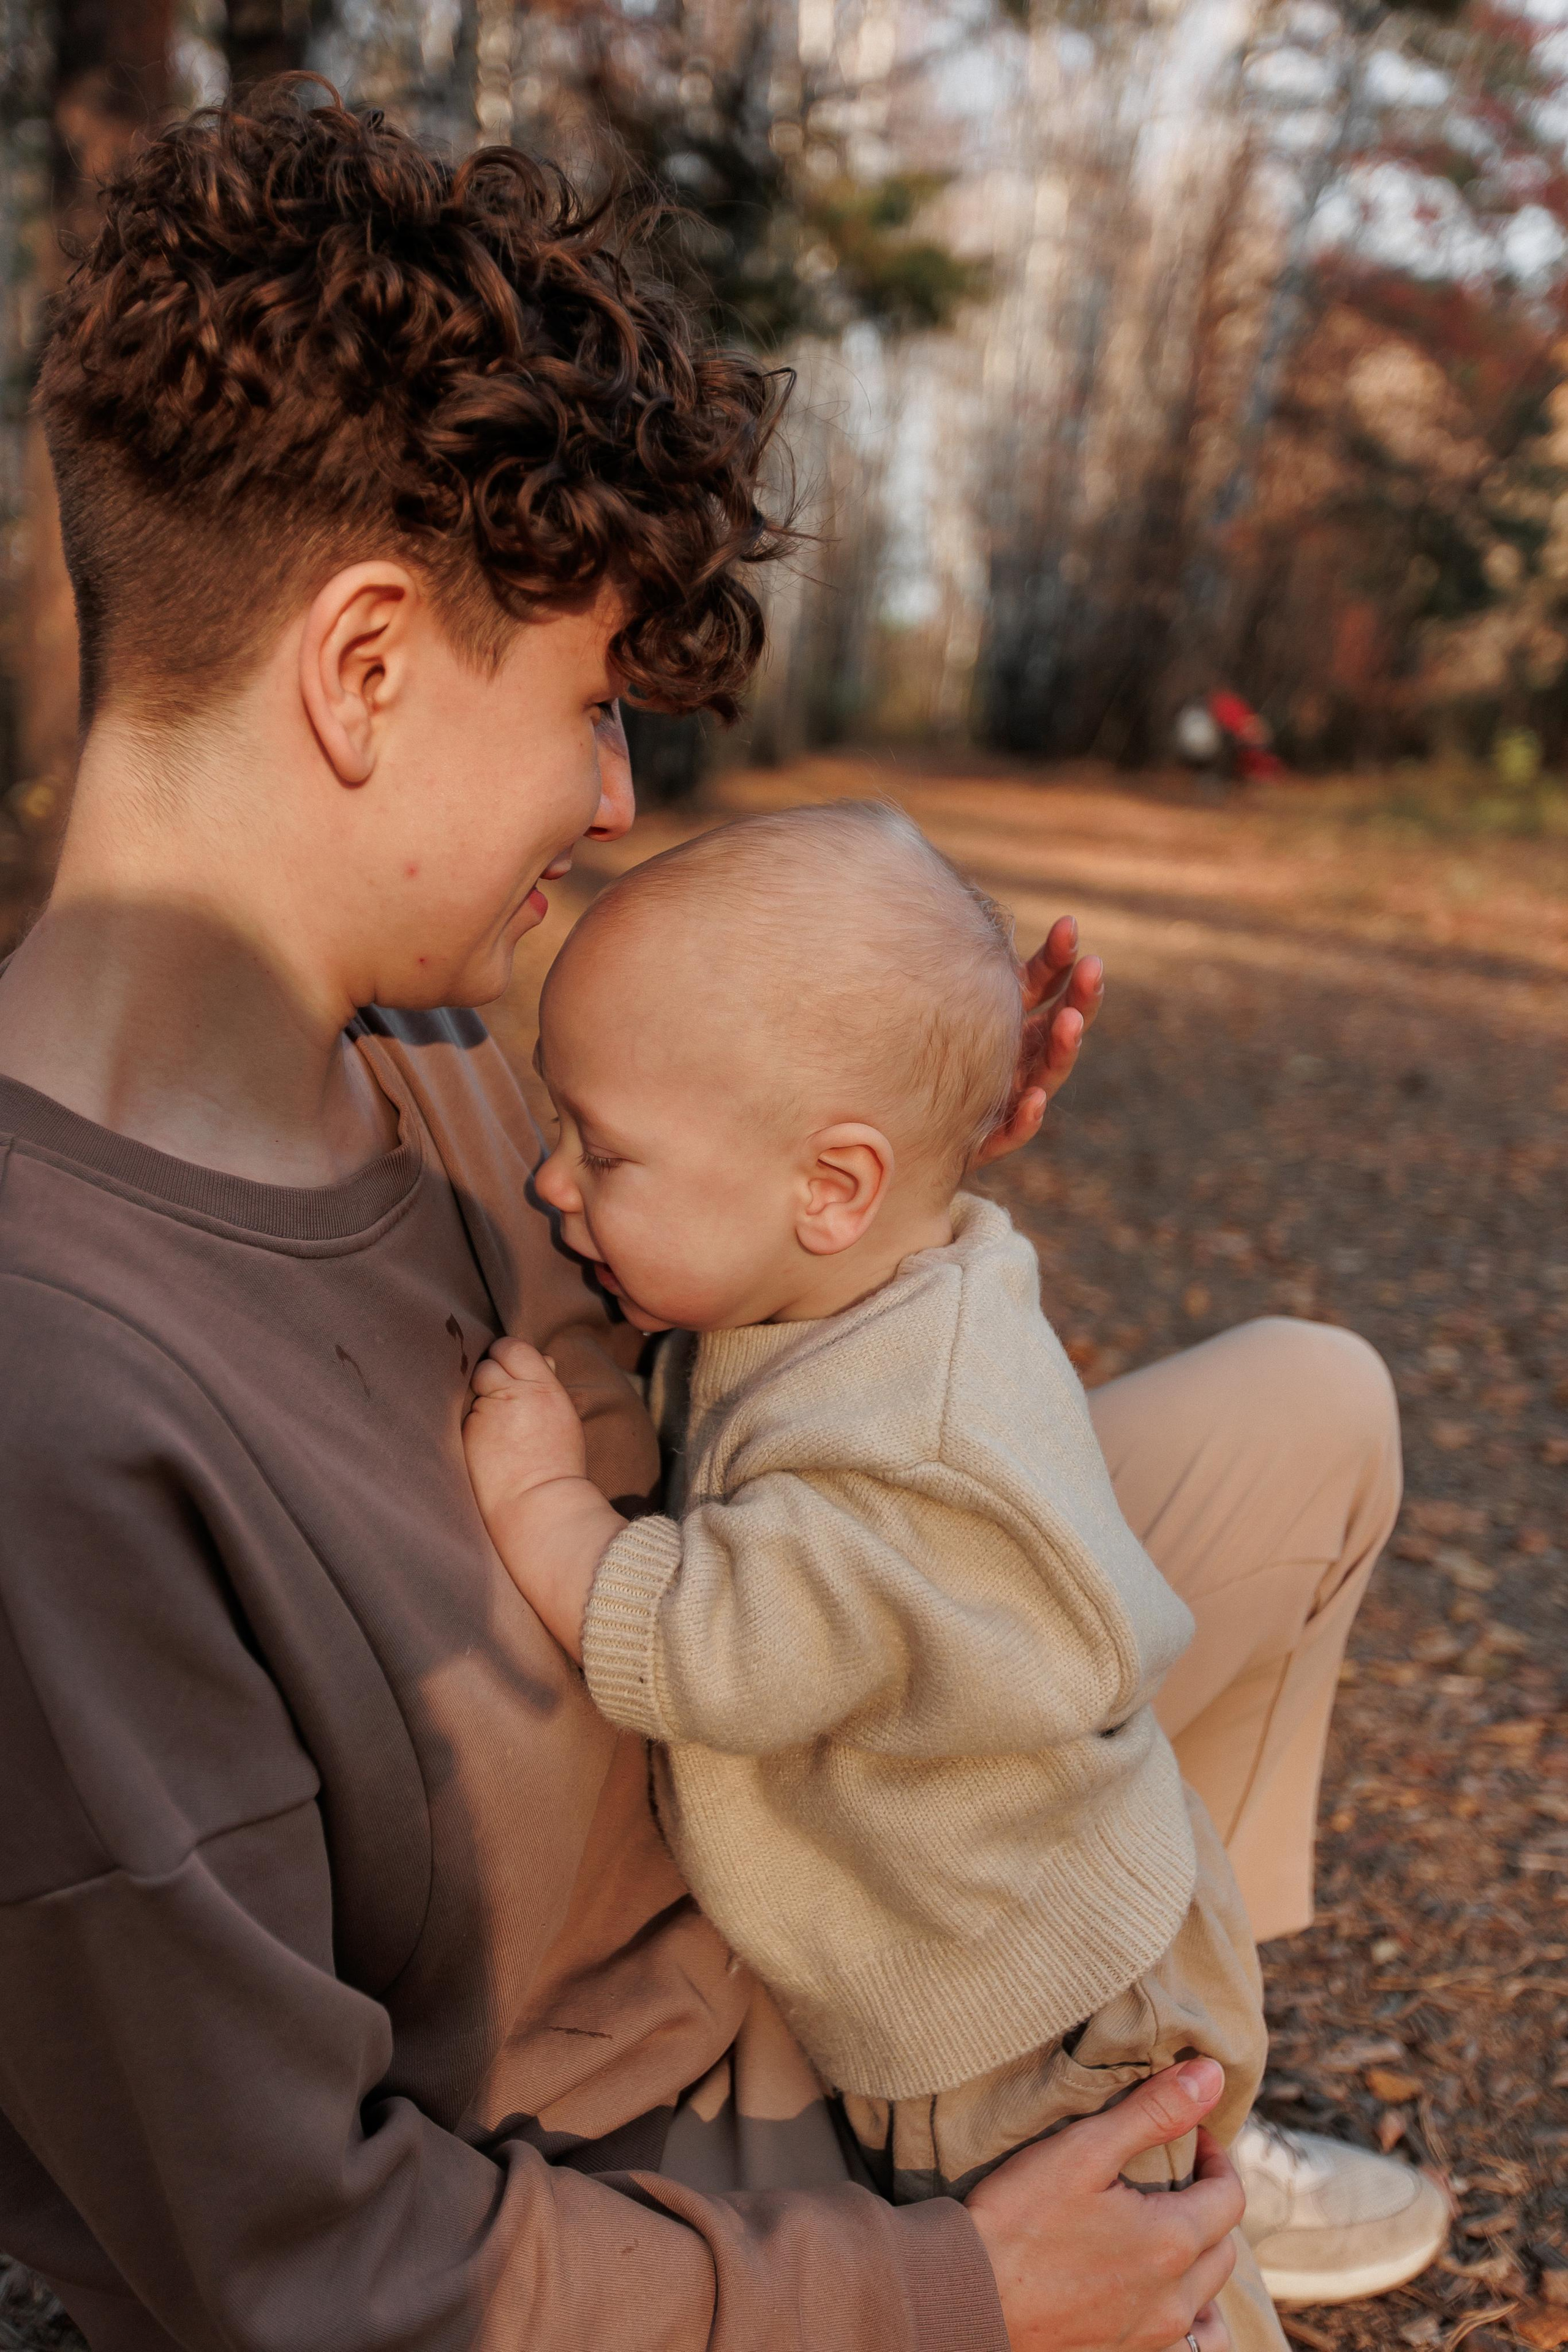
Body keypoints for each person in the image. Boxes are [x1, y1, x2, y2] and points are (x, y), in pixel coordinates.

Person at [0, 78, 1441, 2352]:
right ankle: (1096, 2207)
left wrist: (860, 1192)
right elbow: (310, 2271)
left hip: (786, 1824)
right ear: (363, 671)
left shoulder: (446, 1065)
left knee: (1306, 1417)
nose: (611, 793)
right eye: (584, 702)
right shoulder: (57, 1429)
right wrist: (950, 2284)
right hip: (664, 2162)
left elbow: (722, 1369)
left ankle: (1145, 2090)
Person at [461, 801, 1286, 2352]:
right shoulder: (859, 1260)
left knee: (1135, 2291)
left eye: (606, 1152)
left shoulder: (897, 1450)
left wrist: (543, 1502)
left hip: (1032, 2015)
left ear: (834, 1186)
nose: (555, 1185)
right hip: (1011, 1918)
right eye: (555, 1127)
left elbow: (709, 1645)